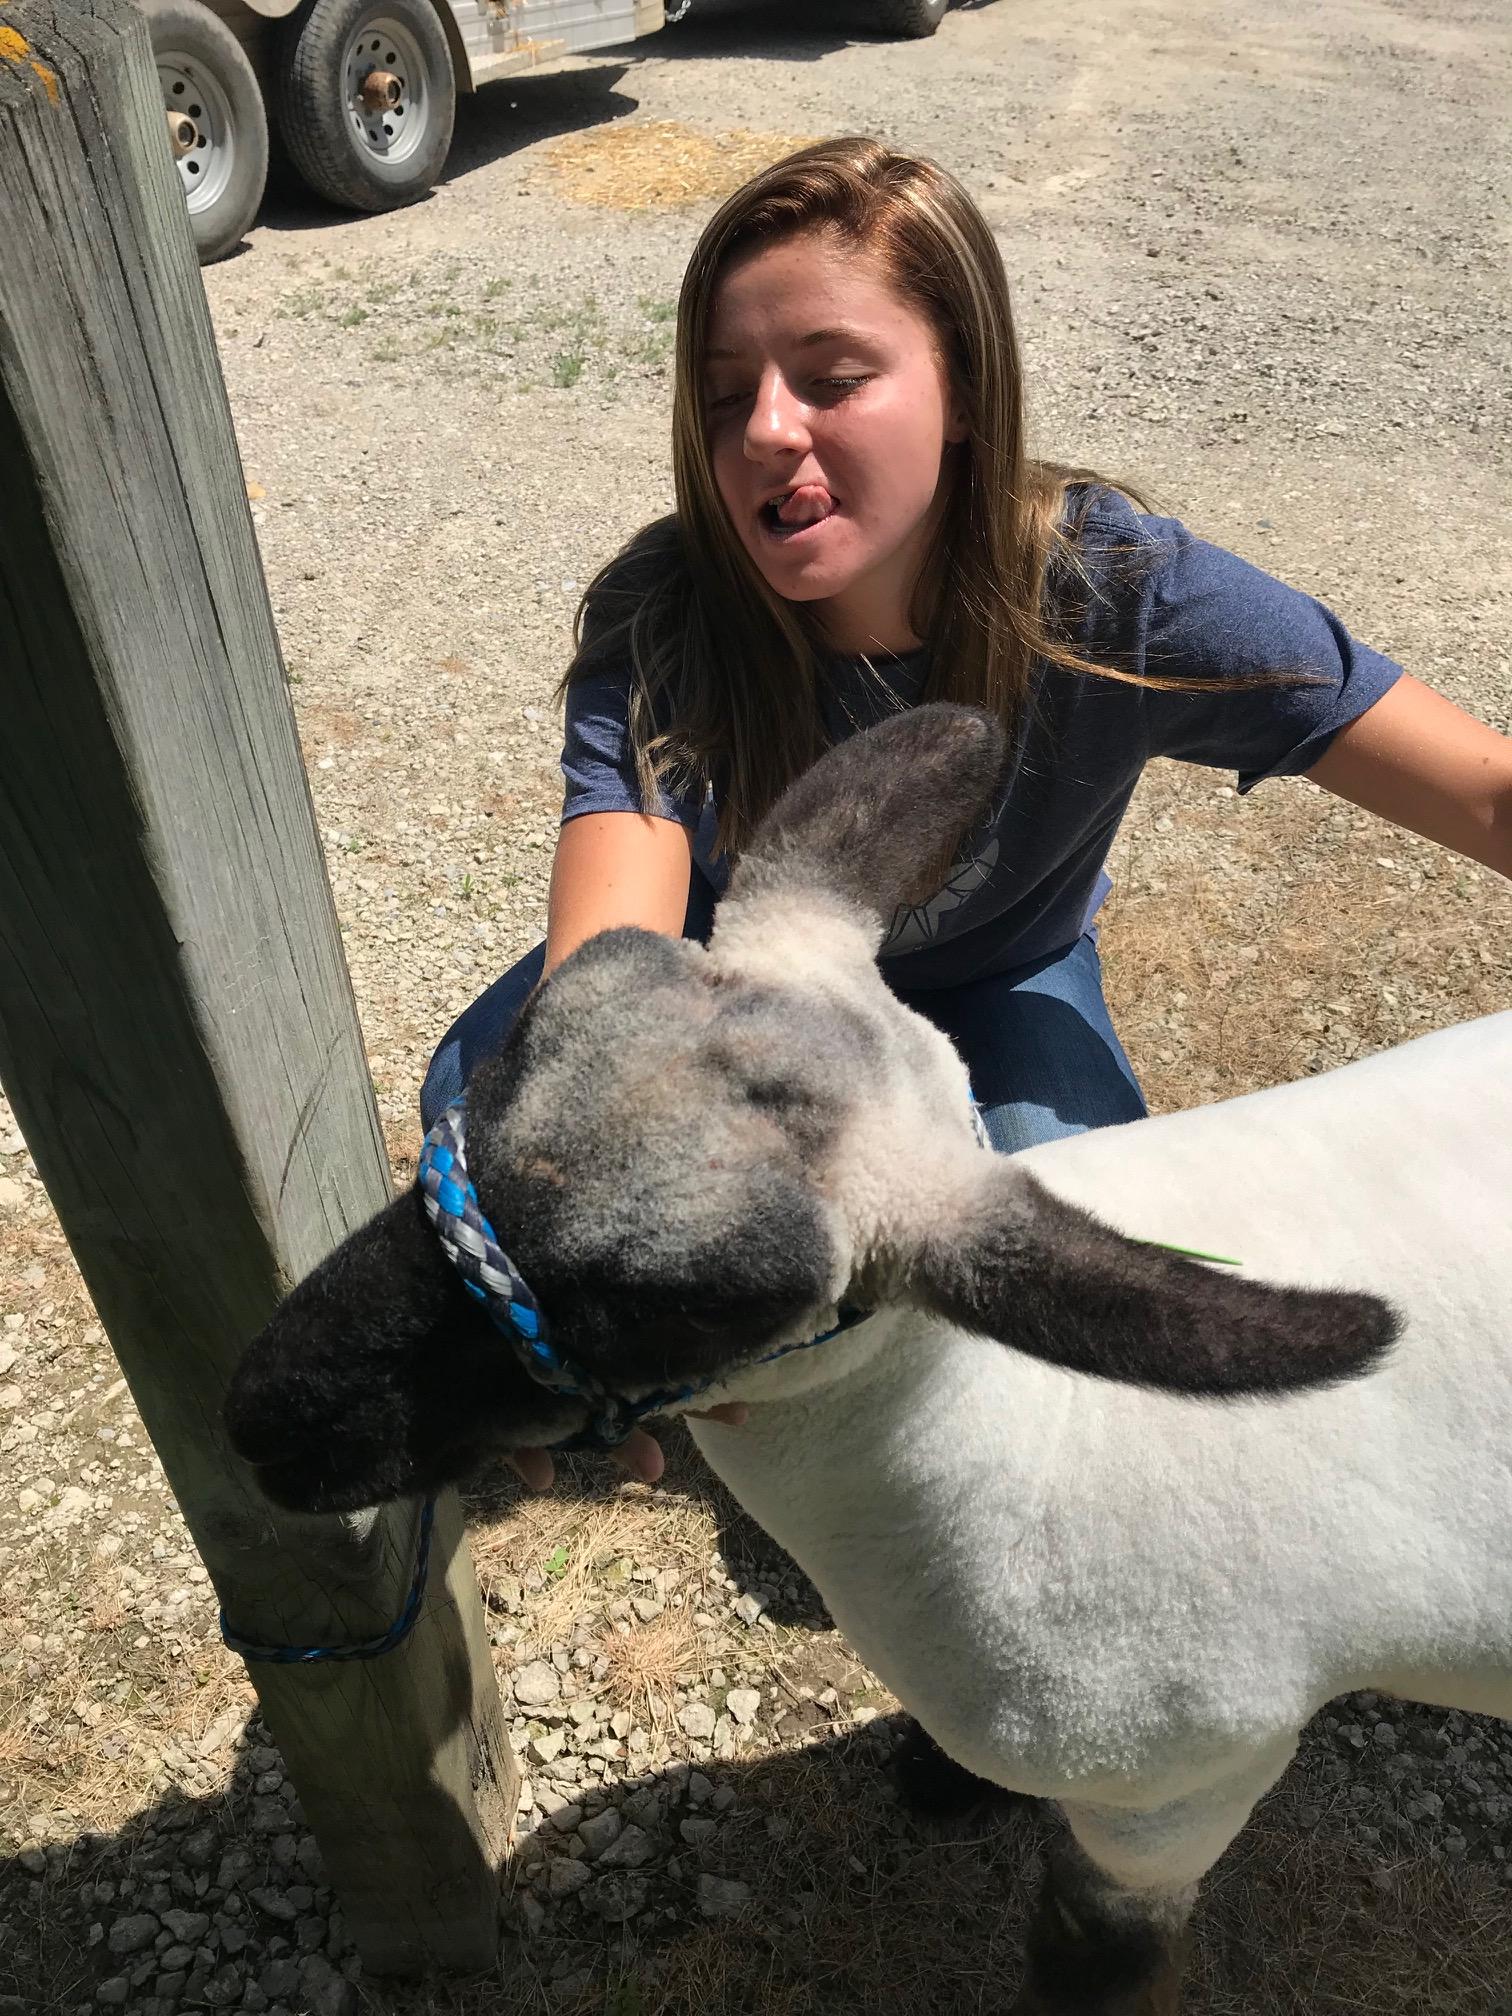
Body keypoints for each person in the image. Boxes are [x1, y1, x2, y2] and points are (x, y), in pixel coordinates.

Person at [422, 138, 1511, 1491]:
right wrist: (568, 1283)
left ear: (966, 393)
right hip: (733, 991)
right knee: (484, 1112)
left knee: (1078, 1252)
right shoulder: (669, 615)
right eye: (724, 395)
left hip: (1007, 975)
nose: (765, 431)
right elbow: (604, 982)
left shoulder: (1116, 590)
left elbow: (1482, 788)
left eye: (831, 378)